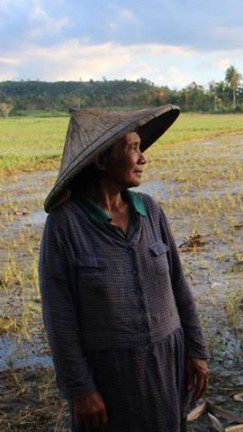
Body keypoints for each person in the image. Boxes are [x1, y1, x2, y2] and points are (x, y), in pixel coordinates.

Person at [38, 105, 210, 431]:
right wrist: (80, 390)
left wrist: (197, 350)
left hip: (167, 364)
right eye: (132, 147)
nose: (143, 158)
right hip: (110, 375)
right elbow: (59, 316)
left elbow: (178, 284)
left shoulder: (151, 210)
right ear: (101, 160)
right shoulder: (65, 226)